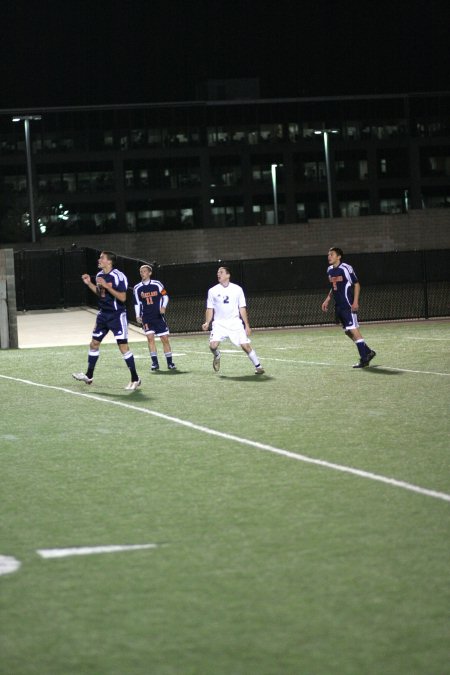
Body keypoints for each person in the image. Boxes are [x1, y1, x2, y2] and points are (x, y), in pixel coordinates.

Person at [72, 250, 141, 390]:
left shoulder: (118, 276)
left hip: (117, 315)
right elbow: (100, 294)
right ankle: (89, 376)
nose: (99, 260)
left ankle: (135, 378)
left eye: (101, 258)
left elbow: (123, 297)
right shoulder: (99, 275)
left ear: (109, 261)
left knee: (123, 347)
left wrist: (107, 285)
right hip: (103, 315)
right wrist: (89, 283)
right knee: (94, 344)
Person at [202, 265, 264, 375]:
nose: (218, 274)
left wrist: (247, 325)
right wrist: (207, 322)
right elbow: (210, 309)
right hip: (219, 324)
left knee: (245, 346)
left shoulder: (237, 289)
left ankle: (258, 366)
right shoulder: (212, 291)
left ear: (228, 275)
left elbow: (242, 308)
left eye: (221, 272)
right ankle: (217, 355)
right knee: (213, 346)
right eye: (218, 272)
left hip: (235, 323)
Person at [321, 247, 376, 368]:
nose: (329, 256)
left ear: (339, 256)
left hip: (348, 305)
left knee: (354, 330)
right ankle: (368, 352)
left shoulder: (345, 268)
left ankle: (364, 360)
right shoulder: (329, 270)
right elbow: (334, 286)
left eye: (332, 254)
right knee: (348, 332)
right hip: (339, 306)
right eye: (328, 254)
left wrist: (355, 302)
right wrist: (328, 298)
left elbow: (356, 284)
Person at [133, 264, 176, 371]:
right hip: (146, 317)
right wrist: (138, 315)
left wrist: (163, 307)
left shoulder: (157, 284)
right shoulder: (137, 288)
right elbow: (137, 303)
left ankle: (170, 363)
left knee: (164, 339)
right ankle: (155, 363)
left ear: (149, 273)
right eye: (141, 272)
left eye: (144, 271)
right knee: (150, 338)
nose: (142, 273)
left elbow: (165, 296)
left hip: (158, 316)